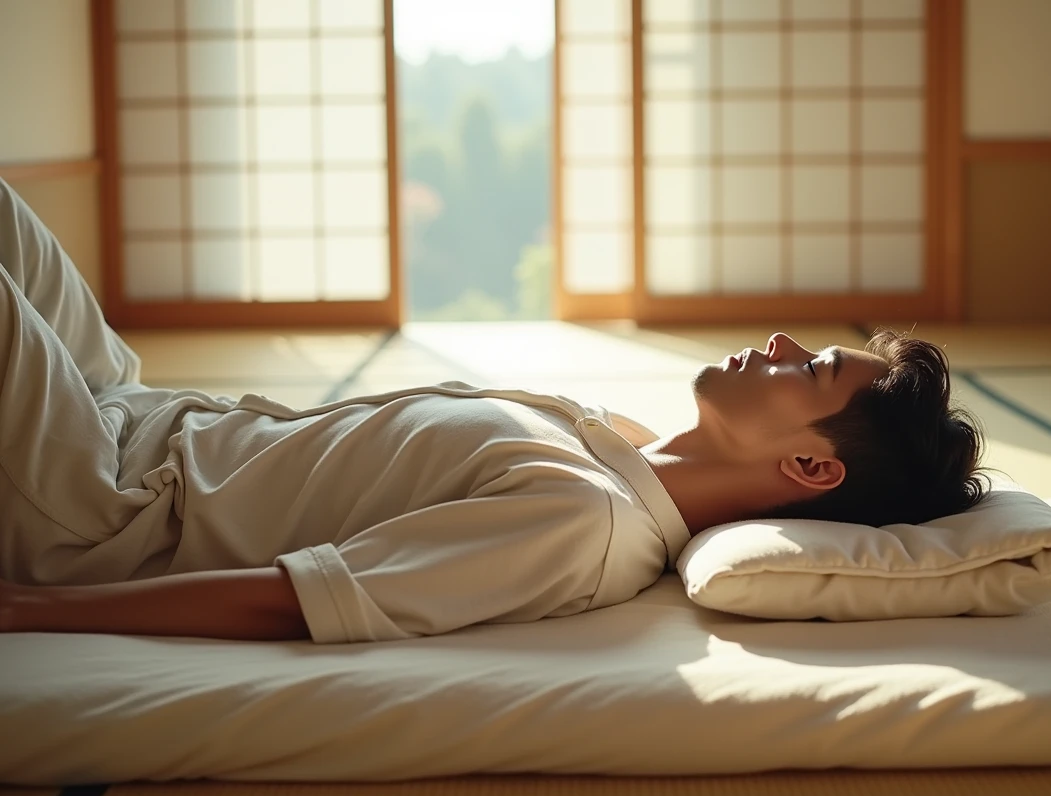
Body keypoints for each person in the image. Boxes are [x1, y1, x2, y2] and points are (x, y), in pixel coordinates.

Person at [0, 178, 987, 644]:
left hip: (99, 501)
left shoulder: (579, 520)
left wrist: (31, 610)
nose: (777, 343)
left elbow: (298, 596)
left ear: (813, 467)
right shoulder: (615, 448)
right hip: (140, 407)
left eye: (810, 368)